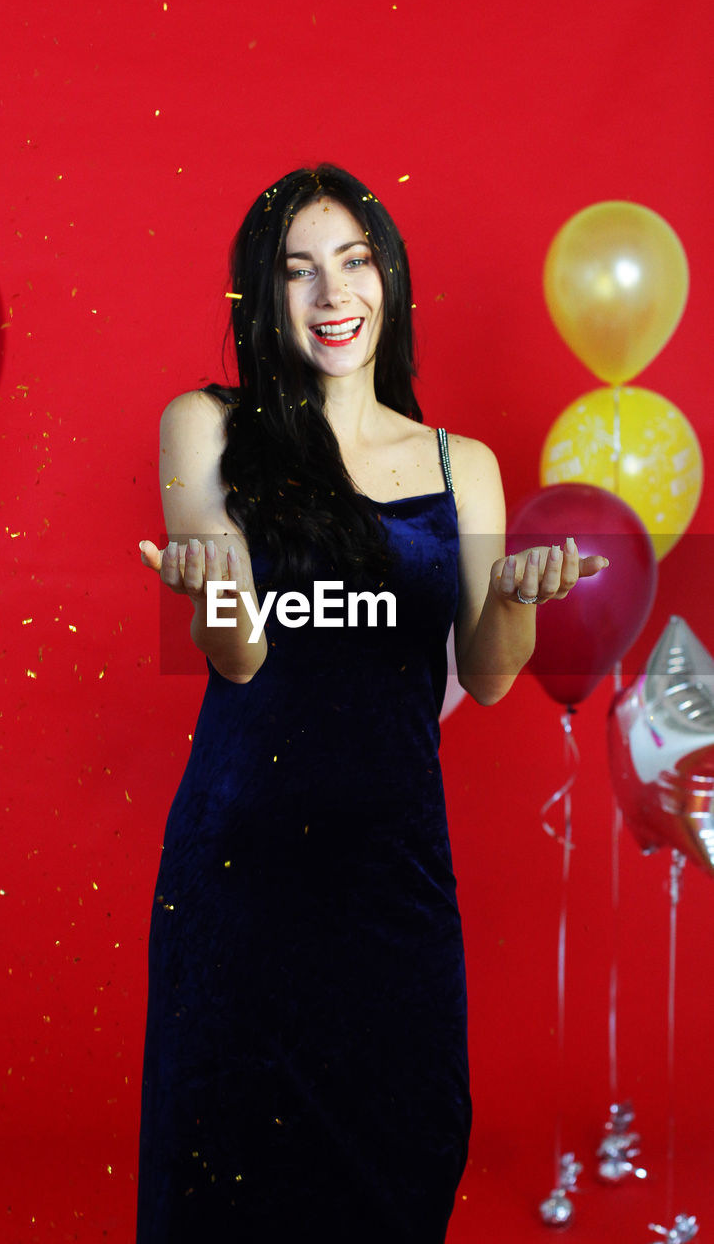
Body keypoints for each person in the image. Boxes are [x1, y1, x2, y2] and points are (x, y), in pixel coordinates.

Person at [136, 164, 608, 1243]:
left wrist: (522, 597)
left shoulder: (464, 465)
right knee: (228, 1173)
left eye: (351, 261)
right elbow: (243, 658)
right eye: (296, 271)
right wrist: (210, 579)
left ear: (387, 277)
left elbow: (487, 675)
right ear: (261, 297)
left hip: (391, 871)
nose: (329, 294)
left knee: (403, 1144)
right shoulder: (205, 426)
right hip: (240, 872)